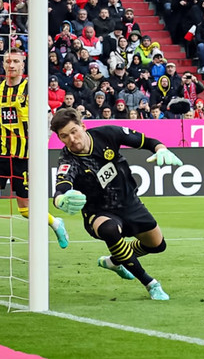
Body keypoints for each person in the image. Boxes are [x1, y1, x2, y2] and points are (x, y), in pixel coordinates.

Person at [50, 107, 182, 300]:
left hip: (130, 203)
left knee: (157, 245)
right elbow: (61, 187)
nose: (71, 139)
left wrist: (161, 149)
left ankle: (114, 260)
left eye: (74, 132)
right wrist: (61, 200)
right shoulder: (68, 159)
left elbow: (146, 141)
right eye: (64, 136)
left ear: (83, 127)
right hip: (99, 212)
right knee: (109, 230)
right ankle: (151, 284)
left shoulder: (108, 134)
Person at [0, 49, 69, 265]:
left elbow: (49, 119)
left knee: (27, 210)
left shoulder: (32, 89)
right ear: (4, 64)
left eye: (16, 61)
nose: (11, 65)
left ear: (22, 65)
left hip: (24, 157)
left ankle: (56, 223)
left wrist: (40, 146)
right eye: (8, 61)